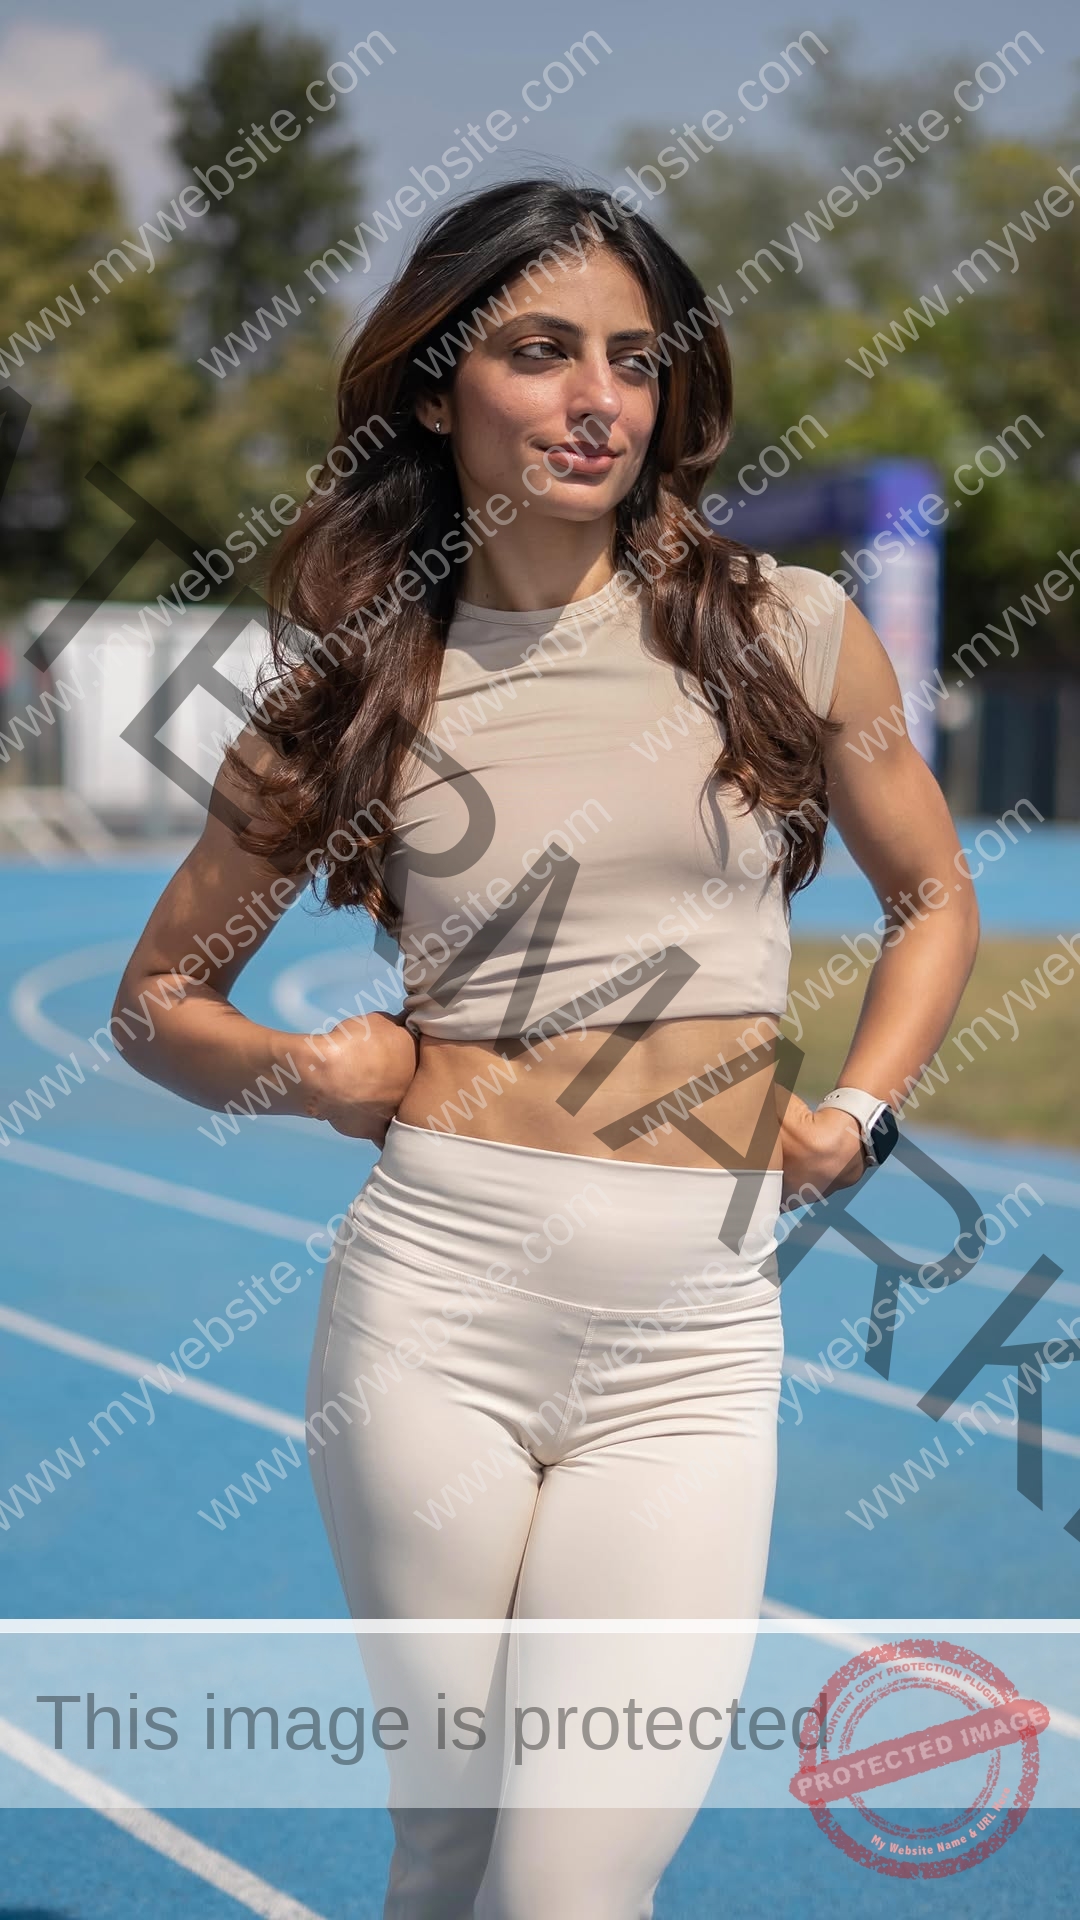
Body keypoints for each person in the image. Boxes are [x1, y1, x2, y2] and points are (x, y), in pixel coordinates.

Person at [113, 177, 979, 1918]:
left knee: (574, 1882)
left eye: (633, 360)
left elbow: (935, 897)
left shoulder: (787, 629)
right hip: (434, 1309)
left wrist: (862, 1111)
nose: (599, 400)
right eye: (541, 352)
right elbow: (157, 1004)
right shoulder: (360, 685)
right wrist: (310, 1075)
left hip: (693, 1341)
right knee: (449, 1850)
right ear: (439, 388)